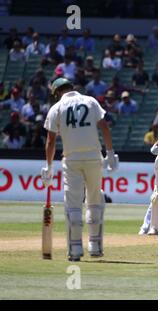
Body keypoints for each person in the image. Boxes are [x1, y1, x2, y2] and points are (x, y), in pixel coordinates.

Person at [41, 77, 119, 261]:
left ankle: (75, 249)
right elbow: (104, 128)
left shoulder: (56, 108)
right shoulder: (90, 101)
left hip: (72, 159)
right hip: (93, 158)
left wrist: (49, 166)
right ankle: (95, 245)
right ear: (71, 87)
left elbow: (51, 141)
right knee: (94, 199)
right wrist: (110, 153)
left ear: (57, 92)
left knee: (73, 204)